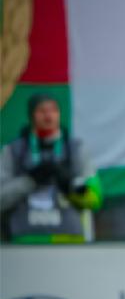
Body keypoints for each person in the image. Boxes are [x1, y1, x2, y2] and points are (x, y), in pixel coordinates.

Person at [0, 93, 101, 243]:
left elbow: (94, 200)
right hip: (23, 241)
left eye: (53, 110)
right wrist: (29, 181)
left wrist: (69, 185)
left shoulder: (76, 149)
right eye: (41, 111)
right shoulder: (13, 151)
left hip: (68, 240)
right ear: (31, 115)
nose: (48, 116)